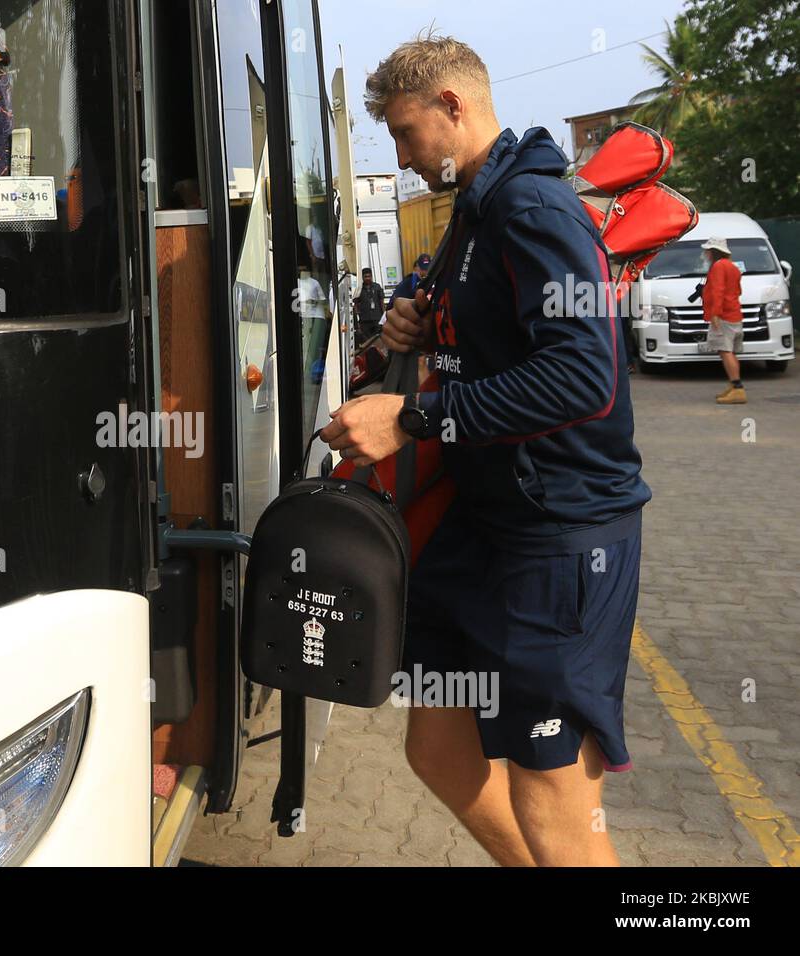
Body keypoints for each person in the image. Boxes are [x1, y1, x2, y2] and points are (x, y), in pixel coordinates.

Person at [320, 32, 649, 867]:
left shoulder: (532, 207)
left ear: (453, 106)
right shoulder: (473, 207)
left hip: (561, 531)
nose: (398, 154)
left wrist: (415, 418)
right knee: (436, 747)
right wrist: (416, 321)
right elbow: (489, 331)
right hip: (484, 527)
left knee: (554, 795)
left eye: (403, 132)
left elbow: (583, 378)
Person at [700, 237, 746, 404]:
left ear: (713, 251)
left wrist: (716, 314)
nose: (705, 254)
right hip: (734, 313)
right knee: (730, 352)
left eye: (707, 250)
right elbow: (738, 290)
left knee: (725, 351)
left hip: (723, 316)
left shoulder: (718, 266)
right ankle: (734, 387)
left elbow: (718, 291)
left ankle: (738, 388)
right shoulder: (733, 266)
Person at [354, 267, 386, 348]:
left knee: (379, 339)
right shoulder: (359, 289)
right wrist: (358, 318)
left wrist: (384, 316)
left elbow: (382, 302)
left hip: (377, 318)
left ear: (371, 276)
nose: (367, 278)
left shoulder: (377, 287)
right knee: (367, 342)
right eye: (365, 276)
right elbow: (356, 304)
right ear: (362, 277)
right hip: (365, 320)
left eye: (369, 276)